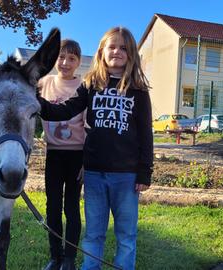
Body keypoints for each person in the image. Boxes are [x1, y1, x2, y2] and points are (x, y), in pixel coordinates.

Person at [38, 27, 153, 270]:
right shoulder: (91, 84)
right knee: (94, 234)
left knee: (126, 235)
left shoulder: (139, 91)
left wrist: (145, 171)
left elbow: (145, 133)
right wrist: (35, 102)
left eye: (123, 47)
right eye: (112, 46)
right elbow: (66, 109)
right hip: (94, 174)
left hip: (127, 176)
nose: (117, 51)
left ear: (131, 53)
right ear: (102, 51)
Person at [40, 39, 85, 270]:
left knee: (71, 207)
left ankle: (69, 258)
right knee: (53, 207)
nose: (65, 63)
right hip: (54, 155)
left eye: (72, 58)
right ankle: (55, 256)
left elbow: (90, 127)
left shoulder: (84, 87)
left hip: (77, 156)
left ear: (78, 62)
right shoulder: (44, 83)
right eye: (61, 57)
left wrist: (86, 162)